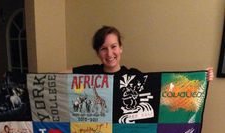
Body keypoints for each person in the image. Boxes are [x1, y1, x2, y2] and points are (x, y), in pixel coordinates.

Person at [68, 25, 214, 81]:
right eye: (103, 49)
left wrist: (200, 78)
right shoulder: (89, 73)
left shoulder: (134, 76)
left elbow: (165, 85)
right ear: (98, 53)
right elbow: (56, 78)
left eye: (113, 46)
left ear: (121, 48)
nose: (110, 53)